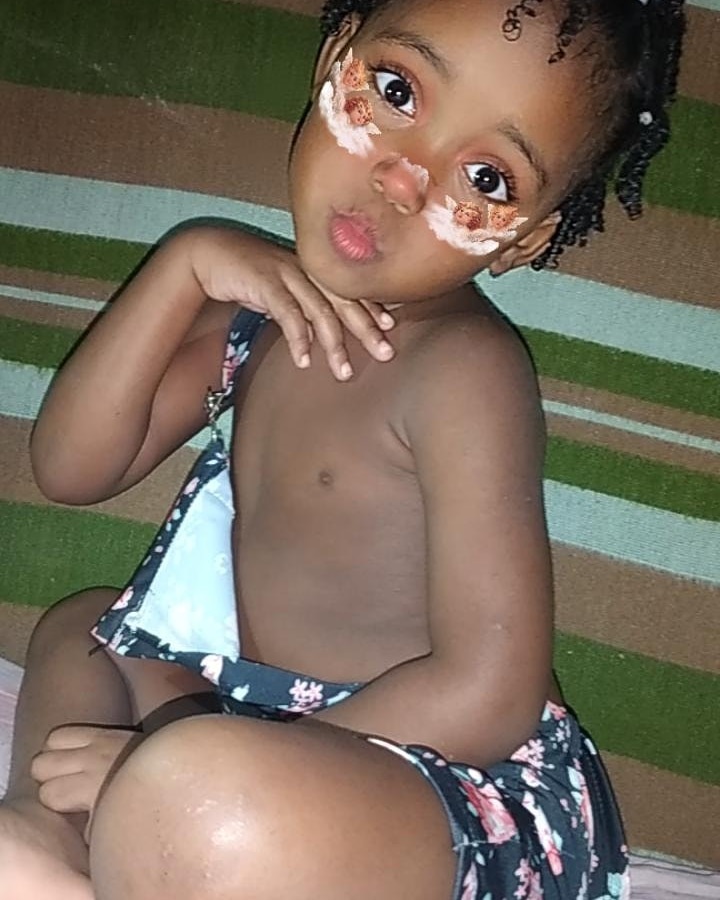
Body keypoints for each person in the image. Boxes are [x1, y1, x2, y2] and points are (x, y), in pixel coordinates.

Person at [0, 0, 685, 897]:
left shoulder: (463, 369)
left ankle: (144, 823)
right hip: (254, 710)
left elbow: (490, 693)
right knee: (85, 627)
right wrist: (185, 267)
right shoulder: (258, 315)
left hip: (442, 782)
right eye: (396, 91)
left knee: (205, 794)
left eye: (486, 176)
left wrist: (179, 765)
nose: (403, 178)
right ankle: (48, 842)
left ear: (524, 240)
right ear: (336, 56)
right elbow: (72, 468)